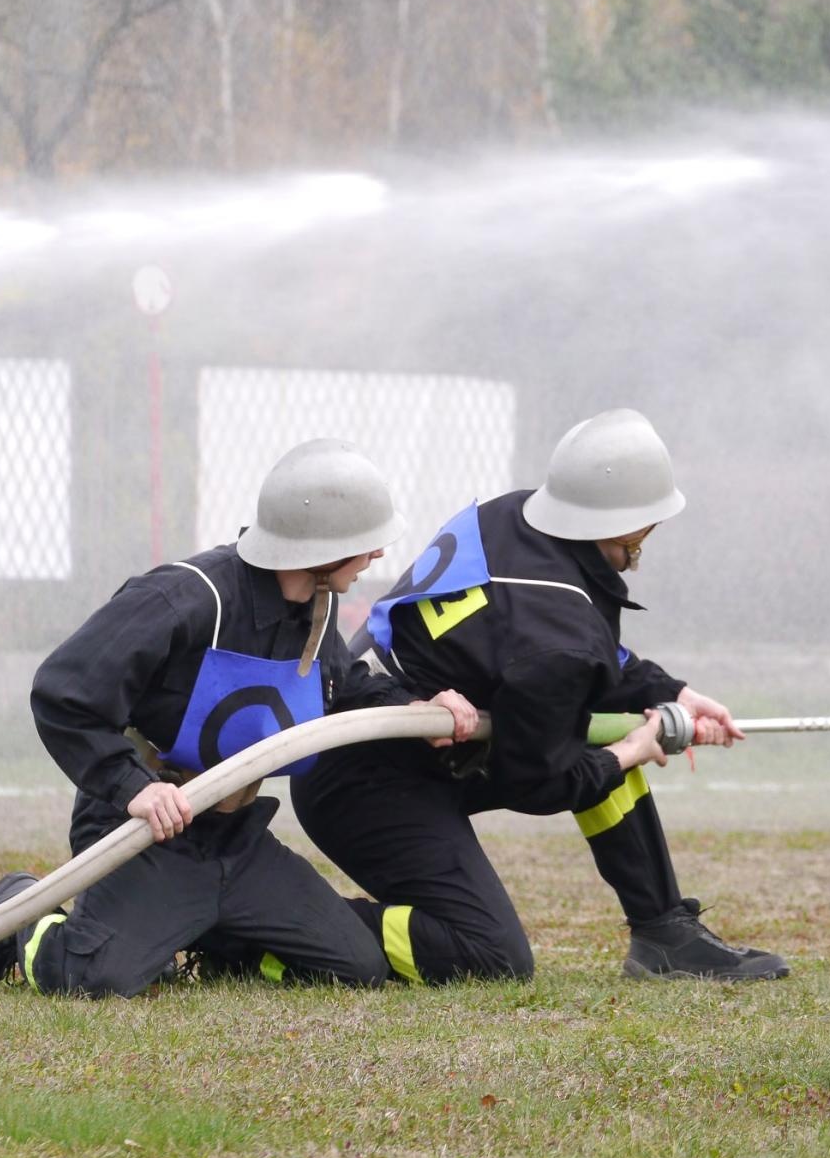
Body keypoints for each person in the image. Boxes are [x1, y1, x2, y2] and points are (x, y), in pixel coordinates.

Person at [0, 437, 476, 997]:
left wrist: (416, 708)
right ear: (320, 549)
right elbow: (64, 691)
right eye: (364, 543)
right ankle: (20, 912)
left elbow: (344, 689)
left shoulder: (314, 607)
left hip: (233, 840)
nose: (378, 555)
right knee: (92, 979)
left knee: (357, 966)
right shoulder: (184, 598)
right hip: (146, 833)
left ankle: (206, 935)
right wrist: (133, 787)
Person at [291, 409, 789, 984]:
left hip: (395, 745)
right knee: (490, 957)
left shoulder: (514, 518)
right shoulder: (558, 638)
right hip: (362, 786)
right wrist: (632, 749)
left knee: (593, 742)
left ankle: (664, 935)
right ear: (634, 527)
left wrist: (671, 691)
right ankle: (283, 929)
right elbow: (538, 779)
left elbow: (557, 651)